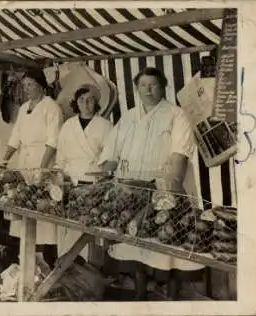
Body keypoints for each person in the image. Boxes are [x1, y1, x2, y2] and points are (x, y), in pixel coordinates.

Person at [97, 67, 202, 300]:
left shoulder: (176, 114)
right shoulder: (129, 116)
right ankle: (140, 293)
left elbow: (180, 155)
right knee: (135, 244)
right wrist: (104, 176)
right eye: (143, 85)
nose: (147, 90)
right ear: (136, 88)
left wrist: (169, 187)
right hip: (132, 190)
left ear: (163, 86)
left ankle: (172, 296)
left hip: (166, 189)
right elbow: (110, 154)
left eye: (153, 84)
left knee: (171, 244)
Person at [2, 69, 63, 268]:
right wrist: (3, 161)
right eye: (24, 85)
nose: (26, 89)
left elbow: (53, 141)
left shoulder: (51, 107)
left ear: (41, 86)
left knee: (42, 212)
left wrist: (42, 169)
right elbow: (15, 137)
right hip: (24, 163)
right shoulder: (23, 108)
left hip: (43, 161)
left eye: (30, 85)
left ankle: (44, 261)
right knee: (22, 207)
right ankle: (27, 261)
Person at [55, 84, 113, 262]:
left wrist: (102, 176)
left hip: (92, 183)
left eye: (90, 100)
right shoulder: (68, 125)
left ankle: (88, 269)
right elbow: (61, 156)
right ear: (76, 103)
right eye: (81, 99)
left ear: (96, 103)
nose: (85, 103)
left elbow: (110, 157)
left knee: (88, 229)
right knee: (67, 227)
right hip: (69, 182)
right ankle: (65, 266)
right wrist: (59, 178)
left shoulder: (106, 126)